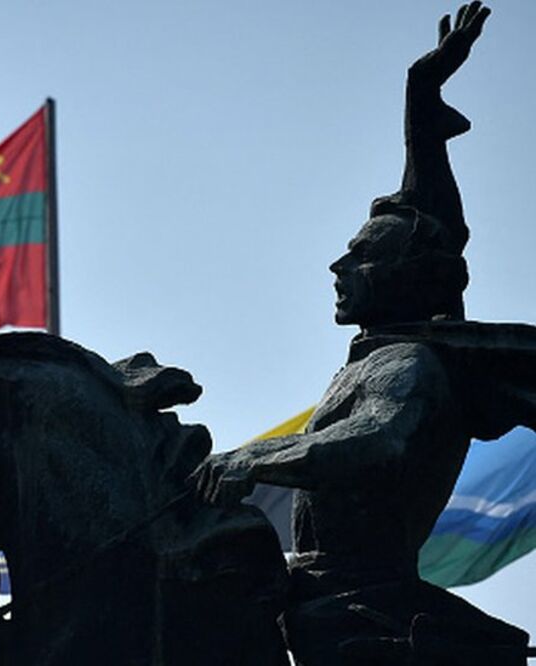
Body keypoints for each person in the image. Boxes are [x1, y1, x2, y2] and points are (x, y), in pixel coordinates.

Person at [196, 3, 536, 664]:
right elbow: (428, 209)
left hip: (362, 607)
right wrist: (422, 104)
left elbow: (378, 438)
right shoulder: (376, 356)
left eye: (362, 257)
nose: (340, 265)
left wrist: (252, 459)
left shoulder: (410, 365)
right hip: (313, 587)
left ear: (408, 280)